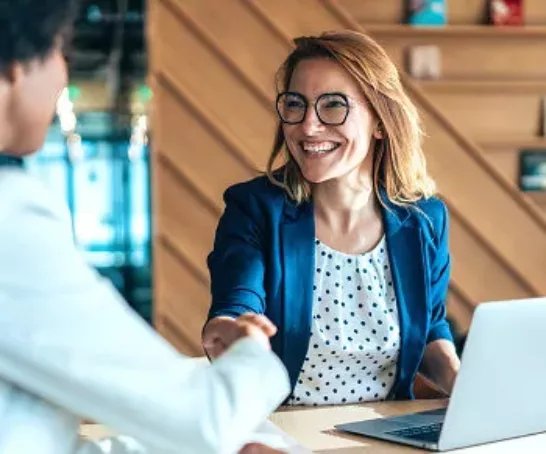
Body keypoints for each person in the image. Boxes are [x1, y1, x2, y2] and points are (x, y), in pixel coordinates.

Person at [0, 0, 290, 452]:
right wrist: (252, 351)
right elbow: (206, 420)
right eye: (62, 52)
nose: (63, 75)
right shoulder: (10, 217)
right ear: (15, 68)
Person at [202, 30, 461, 407]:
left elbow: (431, 326)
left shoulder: (425, 219)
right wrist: (230, 329)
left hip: (387, 434)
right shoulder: (255, 207)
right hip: (281, 432)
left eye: (334, 105)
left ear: (380, 121)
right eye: (296, 104)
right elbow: (239, 300)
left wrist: (460, 380)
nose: (308, 126)